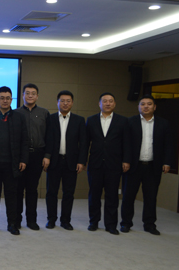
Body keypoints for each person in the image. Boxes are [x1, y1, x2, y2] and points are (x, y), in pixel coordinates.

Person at [120, 95, 174, 235]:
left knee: (150, 197)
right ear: (138, 107)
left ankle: (149, 224)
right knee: (128, 196)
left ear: (154, 107)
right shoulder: (130, 122)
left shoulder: (163, 123)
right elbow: (124, 144)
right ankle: (126, 223)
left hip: (153, 166)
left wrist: (167, 162)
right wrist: (125, 160)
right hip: (132, 166)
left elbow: (168, 145)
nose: (146, 106)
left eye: (149, 104)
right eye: (142, 104)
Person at [0, 86, 28, 235]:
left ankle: (12, 224)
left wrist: (23, 160)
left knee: (12, 195)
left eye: (8, 98)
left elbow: (24, 140)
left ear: (11, 100)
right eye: (2, 98)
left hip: (12, 164)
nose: (5, 100)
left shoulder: (19, 117)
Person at [85, 92, 131, 235]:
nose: (108, 103)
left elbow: (127, 143)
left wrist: (126, 160)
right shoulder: (91, 120)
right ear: (99, 104)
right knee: (94, 195)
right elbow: (85, 143)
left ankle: (111, 225)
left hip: (114, 164)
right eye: (104, 101)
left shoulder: (122, 121)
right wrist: (83, 161)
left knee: (112, 196)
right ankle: (93, 222)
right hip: (95, 164)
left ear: (115, 104)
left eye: (110, 101)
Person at [44, 90, 87, 230]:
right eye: (62, 101)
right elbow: (47, 140)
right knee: (51, 192)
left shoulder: (79, 120)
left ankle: (65, 220)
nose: (65, 103)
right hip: (54, 161)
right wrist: (46, 157)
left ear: (72, 103)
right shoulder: (50, 119)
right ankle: (51, 219)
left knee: (68, 193)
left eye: (68, 101)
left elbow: (83, 143)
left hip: (71, 162)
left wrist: (81, 161)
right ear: (57, 102)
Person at [15, 84, 50, 230]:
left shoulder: (44, 113)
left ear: (37, 96)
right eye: (27, 93)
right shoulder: (15, 113)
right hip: (19, 156)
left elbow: (49, 136)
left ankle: (31, 220)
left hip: (37, 155)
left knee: (32, 189)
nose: (30, 95)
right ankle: (16, 220)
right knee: (18, 189)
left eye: (33, 93)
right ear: (23, 95)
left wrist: (47, 155)